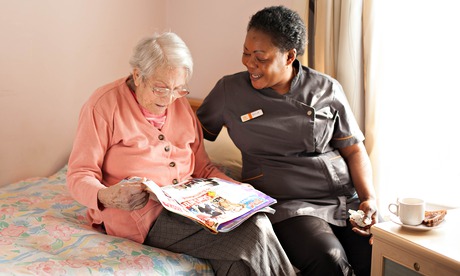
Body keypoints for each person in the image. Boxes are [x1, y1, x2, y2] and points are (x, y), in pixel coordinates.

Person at [66, 32, 295, 276]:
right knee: (253, 231)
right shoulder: (103, 105)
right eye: (161, 89)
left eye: (178, 89)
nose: (169, 99)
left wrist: (240, 192)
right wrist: (107, 196)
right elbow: (79, 174)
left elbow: (203, 168)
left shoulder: (179, 104)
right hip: (141, 217)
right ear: (137, 76)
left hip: (190, 208)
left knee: (237, 263)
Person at [197, 6, 378, 276]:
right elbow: (189, 135)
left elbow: (354, 151)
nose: (249, 63)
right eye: (246, 53)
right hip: (287, 205)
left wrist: (369, 199)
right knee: (330, 260)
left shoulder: (326, 88)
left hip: (342, 199)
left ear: (290, 56)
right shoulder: (229, 91)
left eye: (260, 57)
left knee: (378, 255)